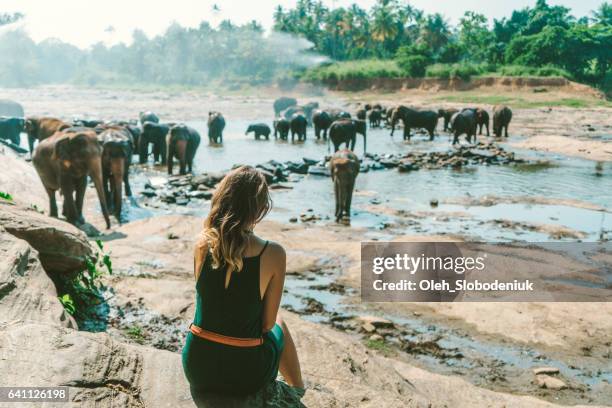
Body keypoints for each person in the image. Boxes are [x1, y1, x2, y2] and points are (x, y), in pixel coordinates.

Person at [182, 165, 304, 396]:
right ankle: (297, 390)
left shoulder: (201, 245)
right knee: (279, 320)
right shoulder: (273, 253)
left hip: (198, 368)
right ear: (260, 208)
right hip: (245, 374)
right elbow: (267, 325)